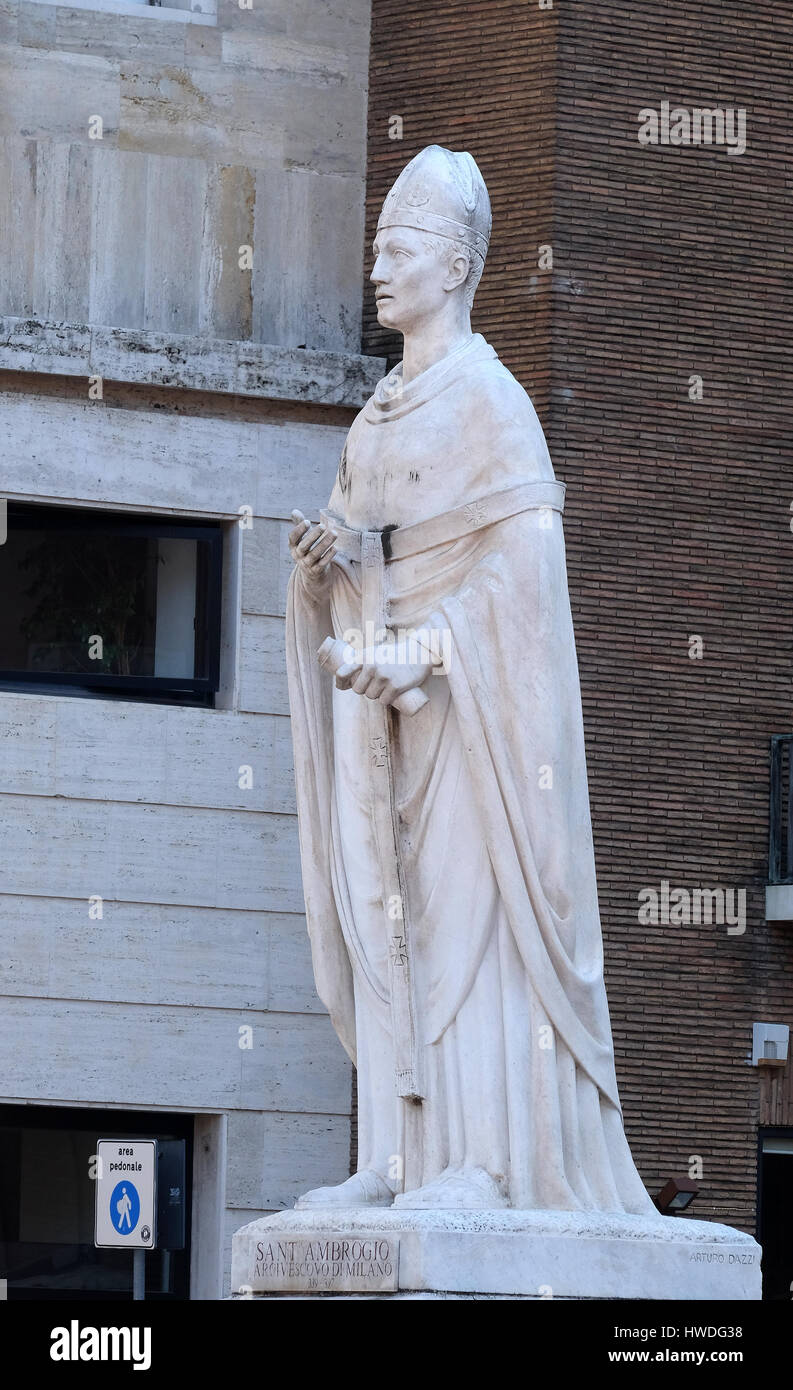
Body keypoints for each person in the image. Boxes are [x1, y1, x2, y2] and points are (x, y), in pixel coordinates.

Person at [286, 145, 656, 1214]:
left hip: (469, 718)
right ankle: (397, 1157)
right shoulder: (373, 417)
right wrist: (331, 570)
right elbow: (363, 555)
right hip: (383, 719)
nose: (376, 270)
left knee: (466, 921)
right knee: (387, 915)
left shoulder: (493, 403)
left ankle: (486, 1163)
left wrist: (431, 639)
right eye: (374, 251)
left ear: (452, 265)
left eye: (395, 250)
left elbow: (527, 571)